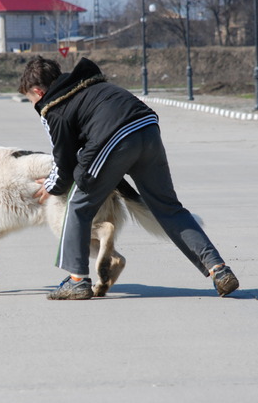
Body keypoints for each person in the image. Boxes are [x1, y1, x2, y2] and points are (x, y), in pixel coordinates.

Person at [18, 56, 239, 300]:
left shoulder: (53, 108)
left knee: (77, 205)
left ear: (38, 91)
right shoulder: (91, 84)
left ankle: (77, 281)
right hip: (147, 129)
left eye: (31, 99)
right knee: (168, 208)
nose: (34, 104)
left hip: (116, 139)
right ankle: (218, 269)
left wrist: (51, 185)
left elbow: (64, 162)